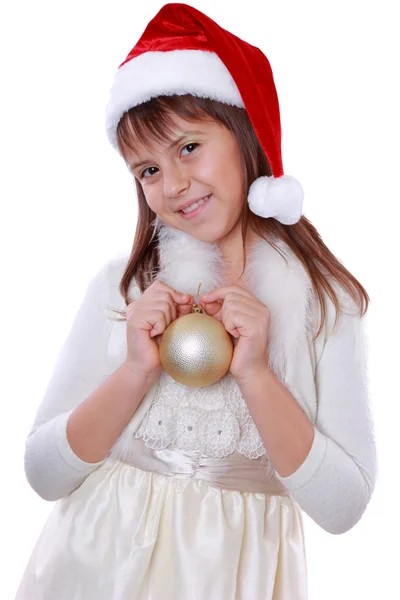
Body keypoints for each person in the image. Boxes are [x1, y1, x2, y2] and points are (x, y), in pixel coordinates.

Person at [15, 3, 377, 599]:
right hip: (96, 570)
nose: (172, 185)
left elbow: (343, 508)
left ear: (244, 136)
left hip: (232, 577)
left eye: (188, 148)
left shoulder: (325, 303)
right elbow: (44, 475)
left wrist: (257, 373)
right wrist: (136, 369)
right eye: (148, 169)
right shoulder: (126, 287)